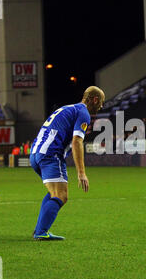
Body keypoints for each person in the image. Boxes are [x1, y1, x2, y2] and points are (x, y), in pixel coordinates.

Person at [30, 86, 105, 240]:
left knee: (54, 192)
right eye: (101, 102)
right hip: (51, 154)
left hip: (36, 153)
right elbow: (77, 141)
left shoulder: (68, 108)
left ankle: (39, 229)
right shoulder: (83, 113)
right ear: (95, 99)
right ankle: (41, 232)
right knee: (61, 195)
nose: (102, 106)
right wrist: (81, 173)